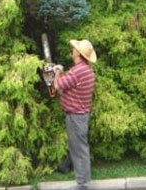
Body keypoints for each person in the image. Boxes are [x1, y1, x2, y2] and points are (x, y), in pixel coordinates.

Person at [53, 39, 96, 190]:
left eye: (74, 49)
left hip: (76, 117)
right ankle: (83, 182)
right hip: (80, 116)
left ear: (78, 53)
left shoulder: (78, 71)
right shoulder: (87, 70)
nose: (72, 50)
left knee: (79, 150)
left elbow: (58, 85)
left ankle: (83, 185)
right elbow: (69, 85)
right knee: (79, 148)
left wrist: (57, 70)